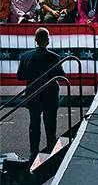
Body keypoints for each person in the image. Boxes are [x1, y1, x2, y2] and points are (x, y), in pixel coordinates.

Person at [17, 27, 66, 162]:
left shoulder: (25, 56)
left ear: (36, 40)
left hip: (33, 94)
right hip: (50, 95)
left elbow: (20, 76)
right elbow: (62, 77)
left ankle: (33, 153)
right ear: (48, 41)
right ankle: (51, 150)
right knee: (50, 124)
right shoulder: (54, 57)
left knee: (34, 124)